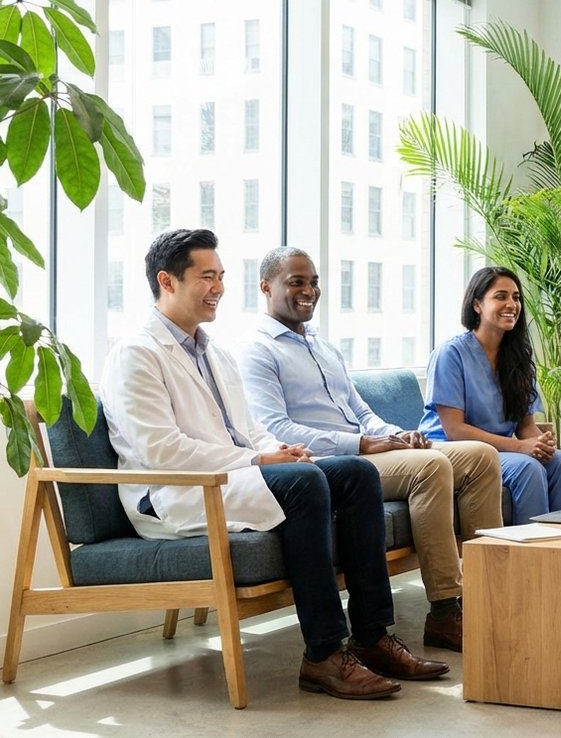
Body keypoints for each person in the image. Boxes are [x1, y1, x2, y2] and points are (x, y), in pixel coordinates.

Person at [102, 229, 447, 701]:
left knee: (355, 473)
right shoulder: (135, 354)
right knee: (305, 484)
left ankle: (372, 637)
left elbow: (250, 429)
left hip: (233, 474)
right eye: (207, 277)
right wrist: (258, 457)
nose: (219, 287)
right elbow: (162, 450)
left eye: (221, 276)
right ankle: (324, 654)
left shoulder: (214, 352)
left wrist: (282, 449)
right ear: (167, 281)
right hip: (177, 490)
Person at [236, 247, 505, 653]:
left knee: (480, 456)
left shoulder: (322, 347)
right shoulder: (258, 351)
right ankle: (446, 611)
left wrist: (397, 435)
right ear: (265, 287)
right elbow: (275, 429)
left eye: (313, 282)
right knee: (430, 467)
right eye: (296, 282)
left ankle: (489, 597)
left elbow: (359, 410)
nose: (309, 290)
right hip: (331, 464)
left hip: (367, 451)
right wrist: (360, 443)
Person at [419, 266, 561, 524]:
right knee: (527, 469)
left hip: (502, 450)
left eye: (516, 297)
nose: (511, 304)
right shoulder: (450, 355)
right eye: (501, 296)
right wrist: (520, 447)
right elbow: (455, 430)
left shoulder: (519, 359)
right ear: (477, 305)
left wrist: (541, 444)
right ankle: (528, 560)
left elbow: (526, 426)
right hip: (454, 451)